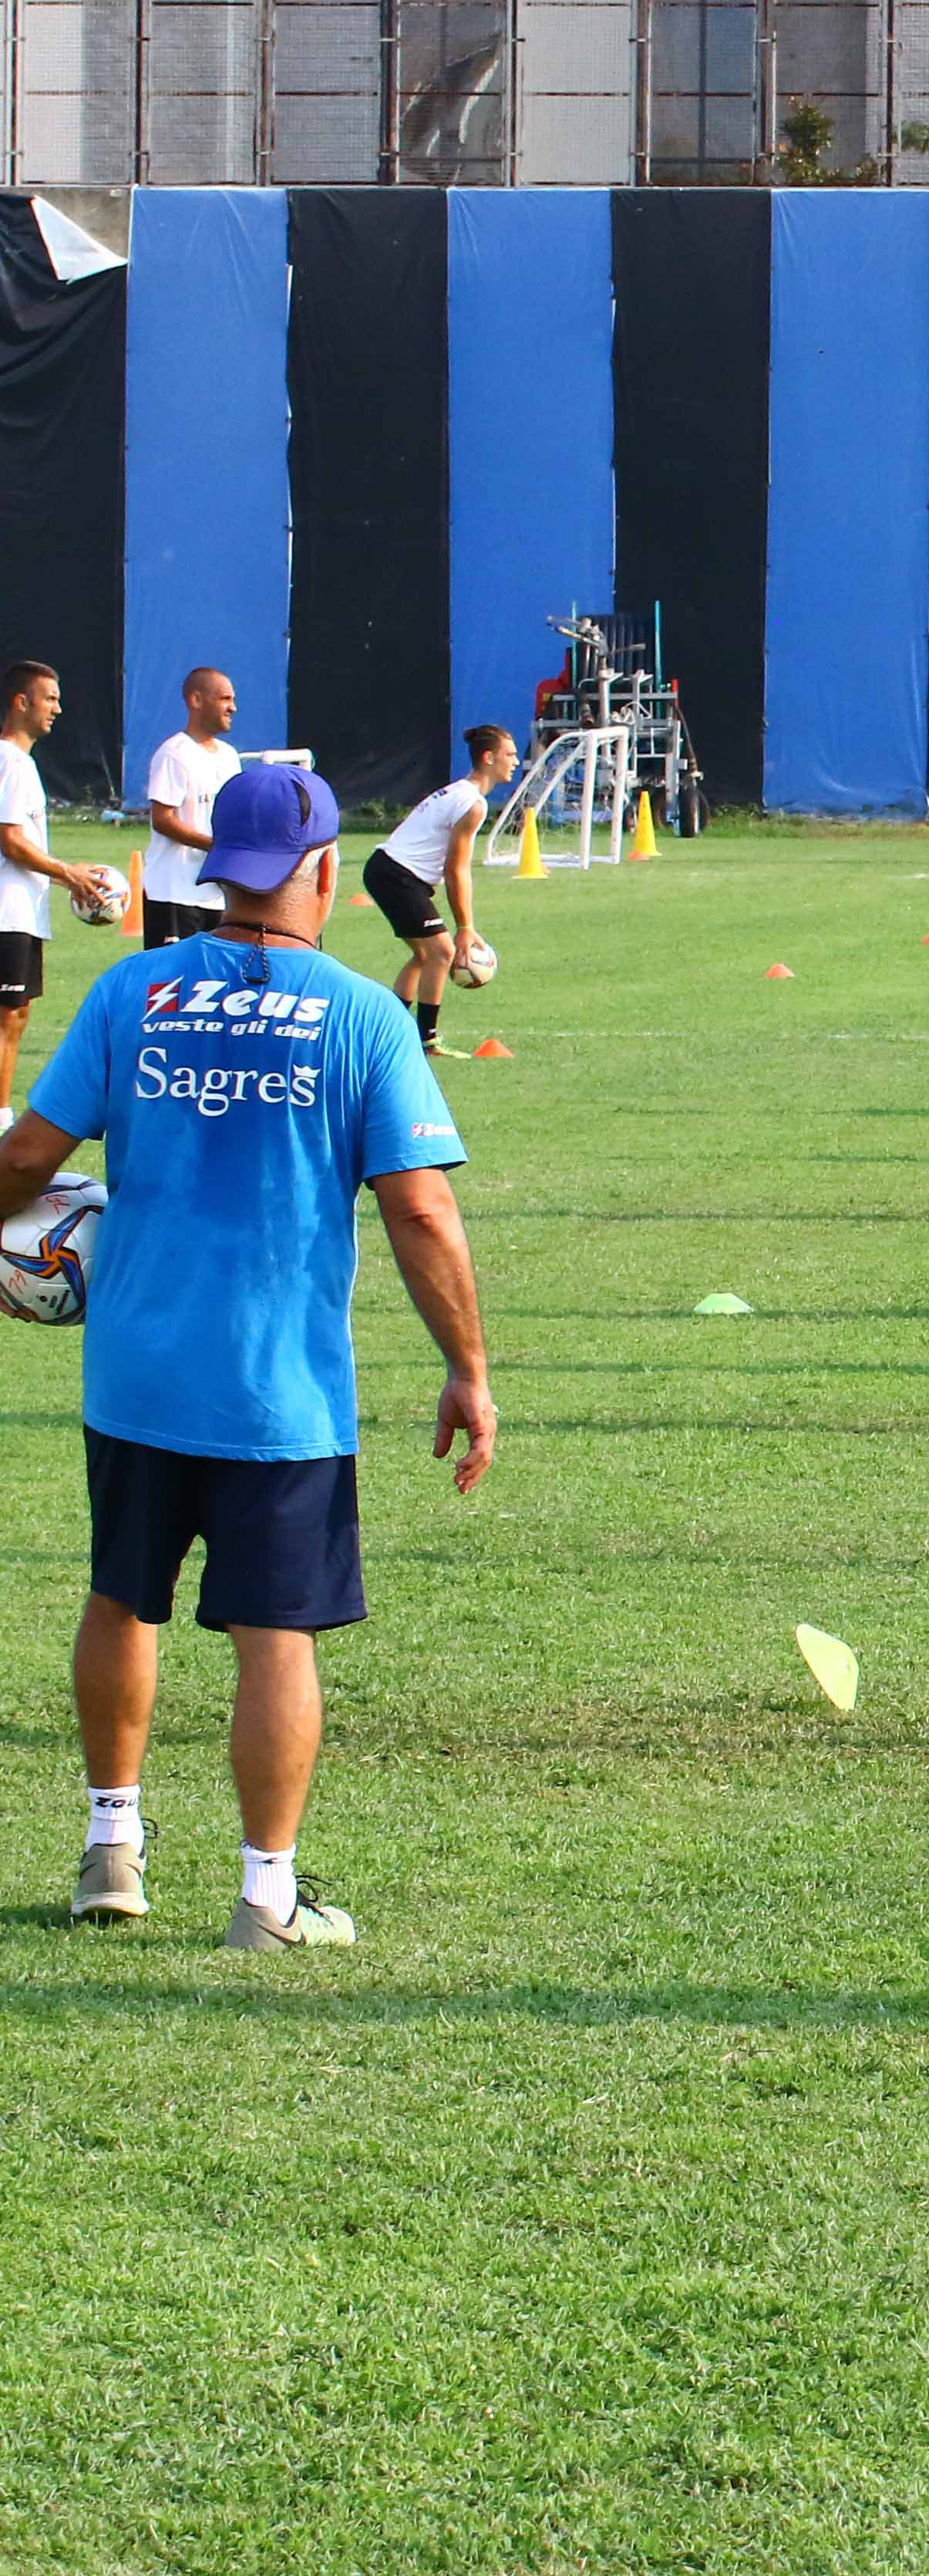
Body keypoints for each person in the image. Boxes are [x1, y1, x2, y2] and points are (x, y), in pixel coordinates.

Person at [0, 762, 496, 1946]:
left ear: (222, 872)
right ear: (324, 873)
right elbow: (421, 1212)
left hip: (136, 1374)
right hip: (280, 1391)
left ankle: (110, 1848)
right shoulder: (364, 1014)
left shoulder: (135, 994)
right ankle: (265, 1897)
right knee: (277, 1635)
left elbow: (27, 1156)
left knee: (123, 1598)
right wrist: (468, 1367)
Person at [0, 660, 123, 1107]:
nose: (57, 707)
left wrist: (65, 870)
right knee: (7, 1016)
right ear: (21, 702)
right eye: (49, 698)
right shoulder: (12, 763)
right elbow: (12, 842)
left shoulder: (17, 763)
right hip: (7, 914)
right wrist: (67, 873)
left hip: (18, 911)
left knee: (16, 1016)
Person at [362, 724, 515, 1057]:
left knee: (425, 956)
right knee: (443, 953)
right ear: (488, 758)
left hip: (388, 871)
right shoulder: (472, 804)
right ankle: (426, 1041)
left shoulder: (459, 792)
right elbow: (456, 869)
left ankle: (390, 1034)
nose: (516, 762)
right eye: (510, 754)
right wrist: (465, 928)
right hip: (397, 875)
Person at [142, 667, 248, 949]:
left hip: (217, 893)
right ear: (196, 701)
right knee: (173, 986)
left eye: (233, 699)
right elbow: (162, 820)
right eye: (225, 699)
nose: (233, 707)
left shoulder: (229, 757)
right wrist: (216, 847)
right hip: (175, 892)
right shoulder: (174, 754)